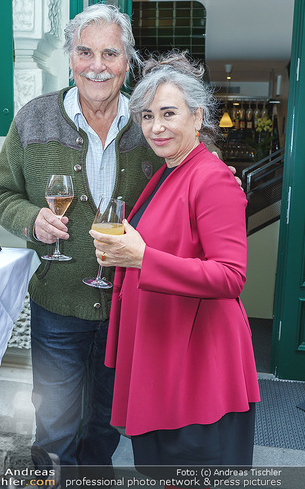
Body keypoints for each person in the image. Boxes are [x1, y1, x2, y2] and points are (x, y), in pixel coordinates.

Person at [0, 4, 240, 468]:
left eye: (110, 53)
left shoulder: (148, 122)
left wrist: (224, 182)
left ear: (127, 61)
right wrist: (29, 219)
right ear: (69, 58)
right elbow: (0, 192)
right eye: (84, 52)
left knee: (106, 426)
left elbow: (191, 167)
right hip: (58, 304)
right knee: (55, 428)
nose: (96, 65)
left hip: (129, 310)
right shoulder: (34, 118)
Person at [90, 53, 260, 471]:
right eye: (147, 116)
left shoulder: (212, 177)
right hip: (166, 356)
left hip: (200, 368)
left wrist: (142, 257)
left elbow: (231, 277)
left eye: (168, 113)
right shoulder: (169, 171)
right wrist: (122, 254)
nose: (156, 127)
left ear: (198, 117)